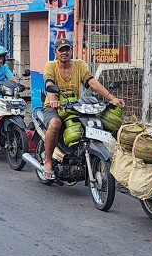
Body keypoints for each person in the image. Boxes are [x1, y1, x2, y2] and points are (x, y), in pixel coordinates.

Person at [41, 38, 125, 179]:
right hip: (54, 107)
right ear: (55, 52)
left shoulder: (80, 65)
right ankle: (48, 161)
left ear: (71, 51)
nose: (64, 52)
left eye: (67, 49)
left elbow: (92, 82)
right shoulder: (50, 66)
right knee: (55, 124)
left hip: (76, 106)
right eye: (61, 50)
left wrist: (112, 98)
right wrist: (53, 99)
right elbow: (49, 83)